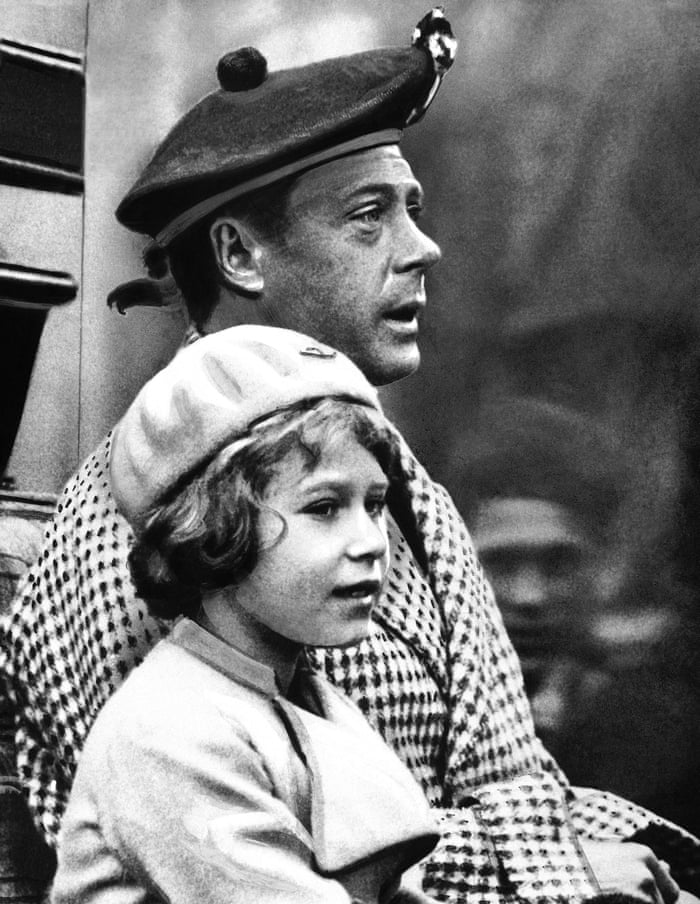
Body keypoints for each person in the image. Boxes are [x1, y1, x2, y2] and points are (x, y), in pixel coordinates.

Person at [1, 9, 699, 903]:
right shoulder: (138, 521)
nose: (424, 249)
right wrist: (548, 871)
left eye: (414, 210)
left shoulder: (402, 485)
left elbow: (510, 779)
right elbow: (232, 837)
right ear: (240, 253)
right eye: (370, 216)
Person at [50, 324, 439, 904]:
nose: (371, 542)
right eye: (325, 507)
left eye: (375, 504)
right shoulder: (171, 732)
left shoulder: (311, 701)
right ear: (215, 529)